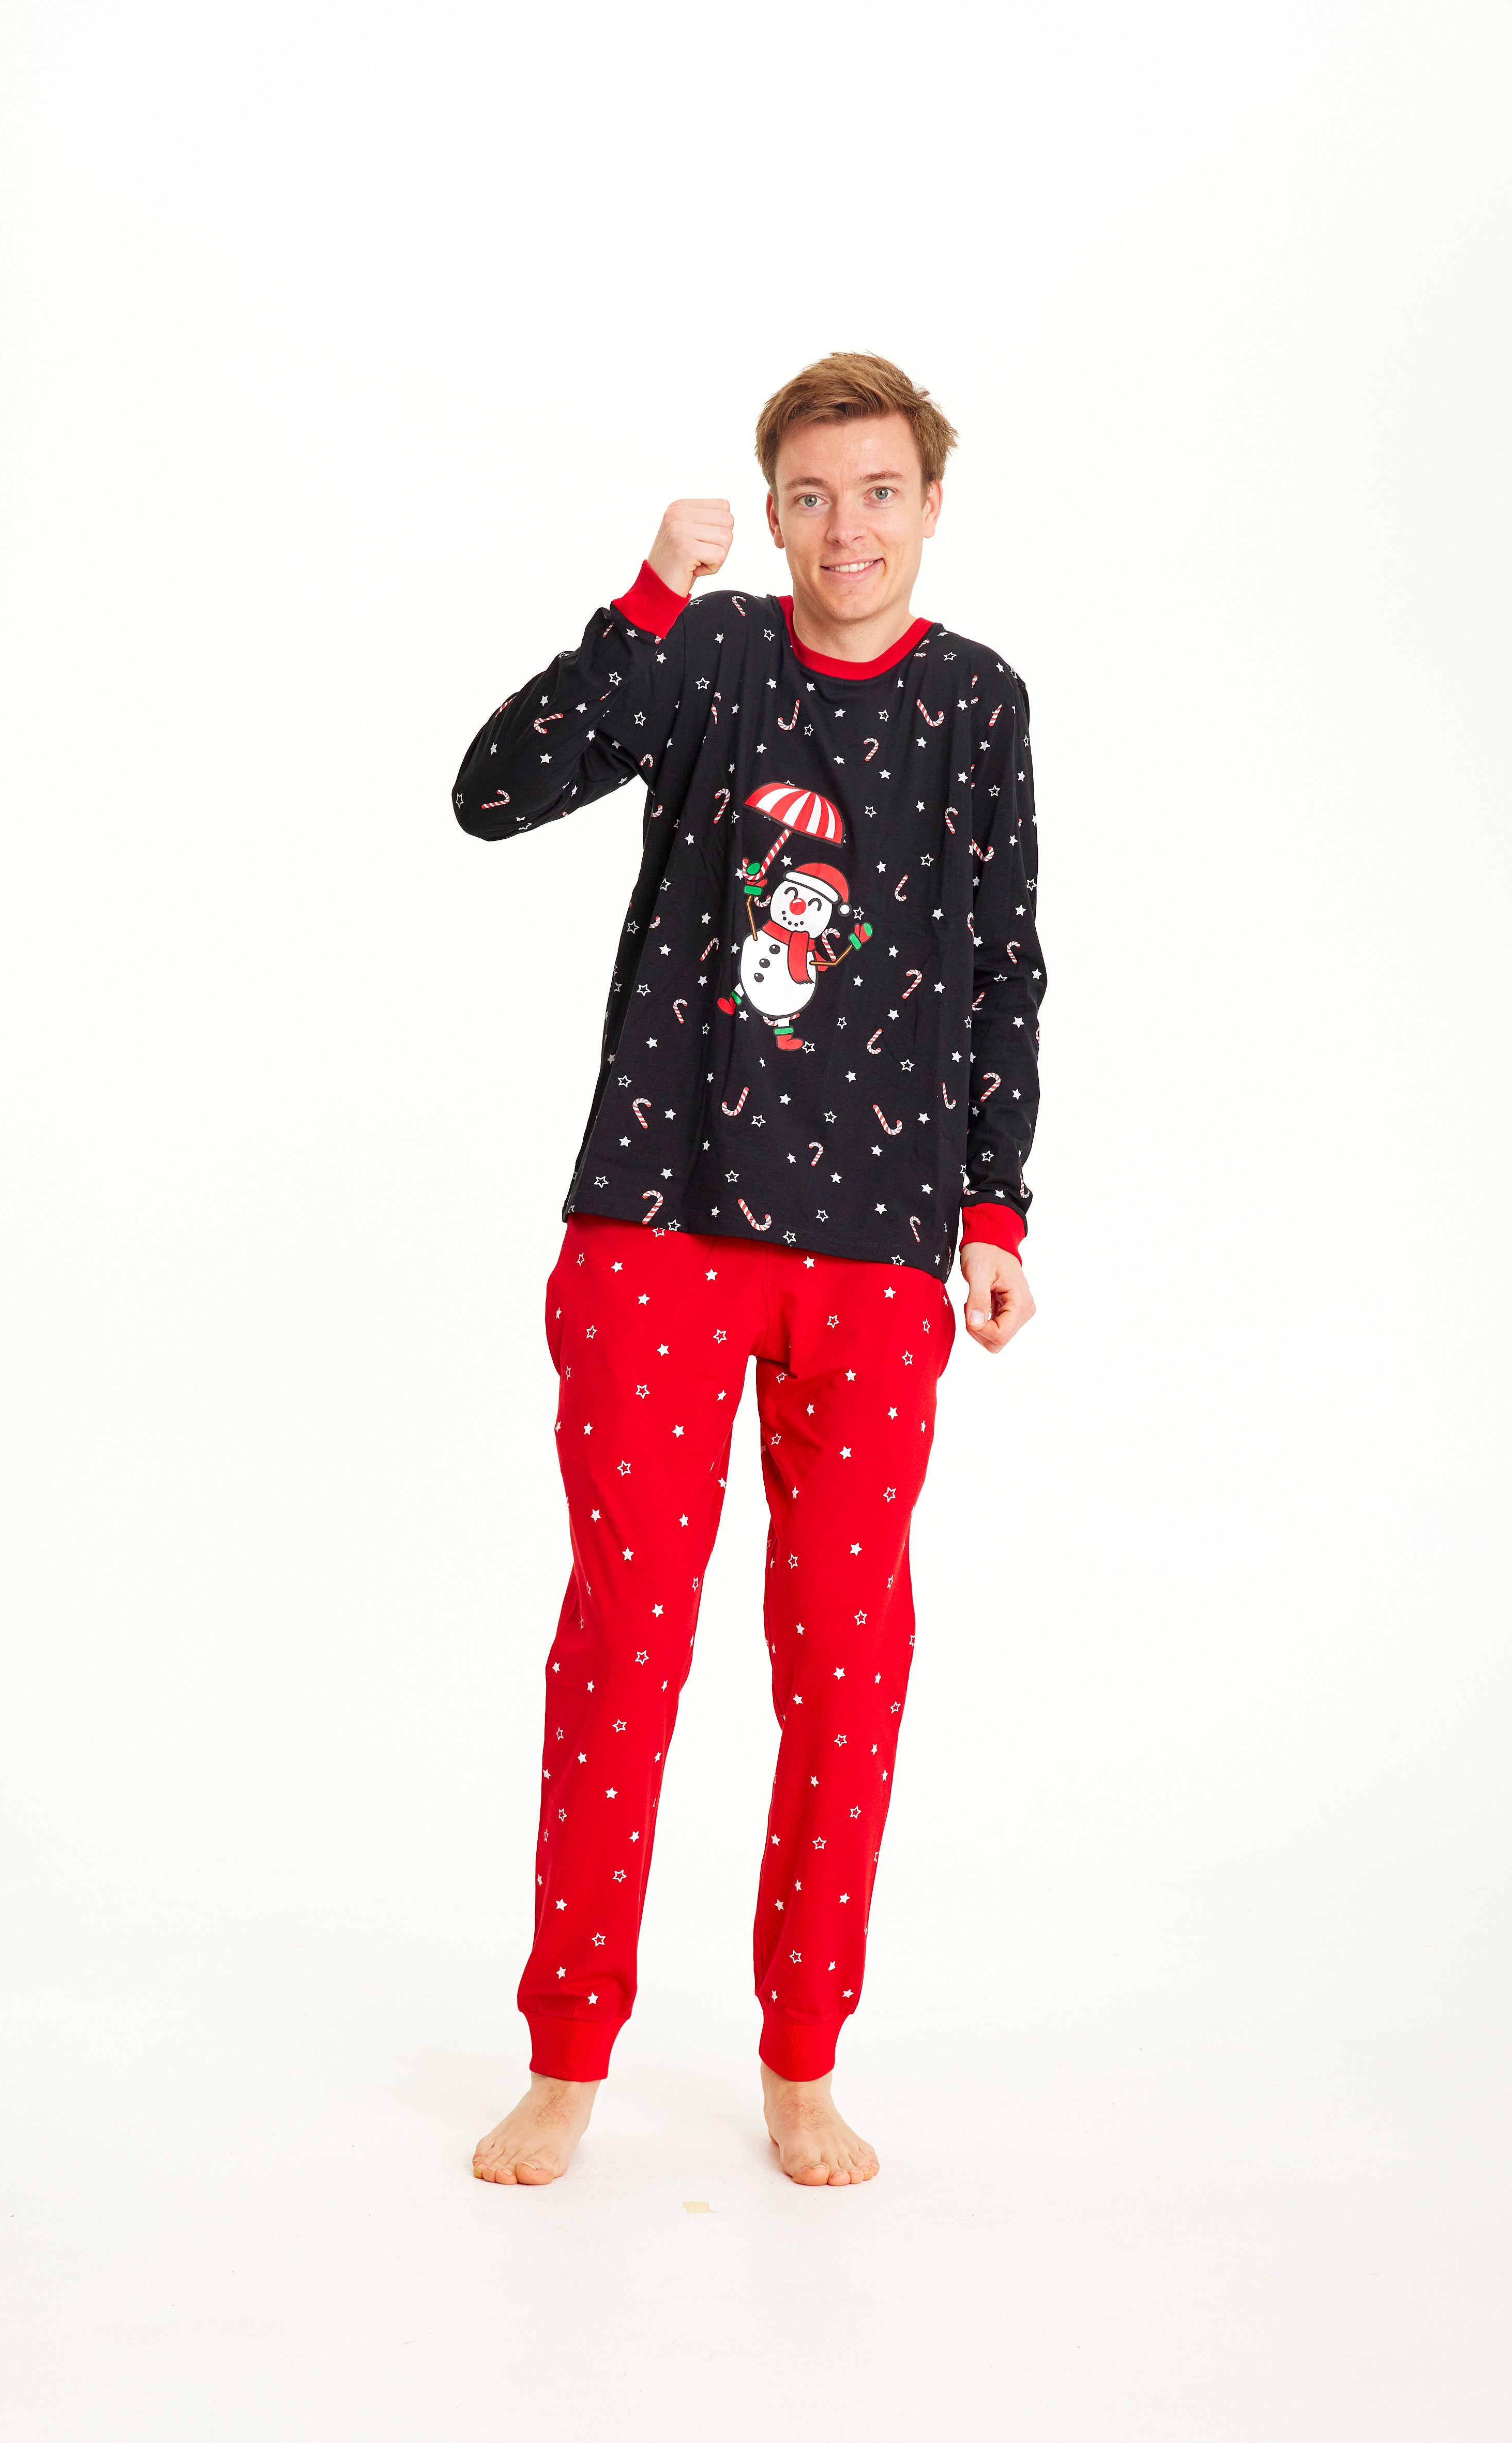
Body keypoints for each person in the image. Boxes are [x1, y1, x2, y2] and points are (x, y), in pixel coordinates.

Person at [453, 353, 1044, 2186]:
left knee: (848, 1667)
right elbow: (493, 790)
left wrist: (996, 1210)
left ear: (930, 505)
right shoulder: (709, 658)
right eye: (811, 495)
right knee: (622, 1650)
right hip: (662, 1224)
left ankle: (803, 2056)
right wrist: (645, 596)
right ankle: (569, 2052)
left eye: (879, 491)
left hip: (876, 1260)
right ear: (772, 511)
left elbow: (1004, 962)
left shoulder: (976, 702)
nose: (845, 527)